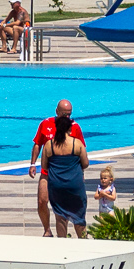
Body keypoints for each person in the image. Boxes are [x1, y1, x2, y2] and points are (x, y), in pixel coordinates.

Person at [28, 100, 88, 235]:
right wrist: (33, 164)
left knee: (66, 211)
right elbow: (37, 143)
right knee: (42, 201)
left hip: (68, 174)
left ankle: (68, 236)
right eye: (64, 114)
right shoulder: (45, 124)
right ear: (57, 112)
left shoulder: (74, 127)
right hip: (48, 173)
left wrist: (81, 174)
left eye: (69, 114)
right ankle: (47, 230)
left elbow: (81, 153)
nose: (67, 117)